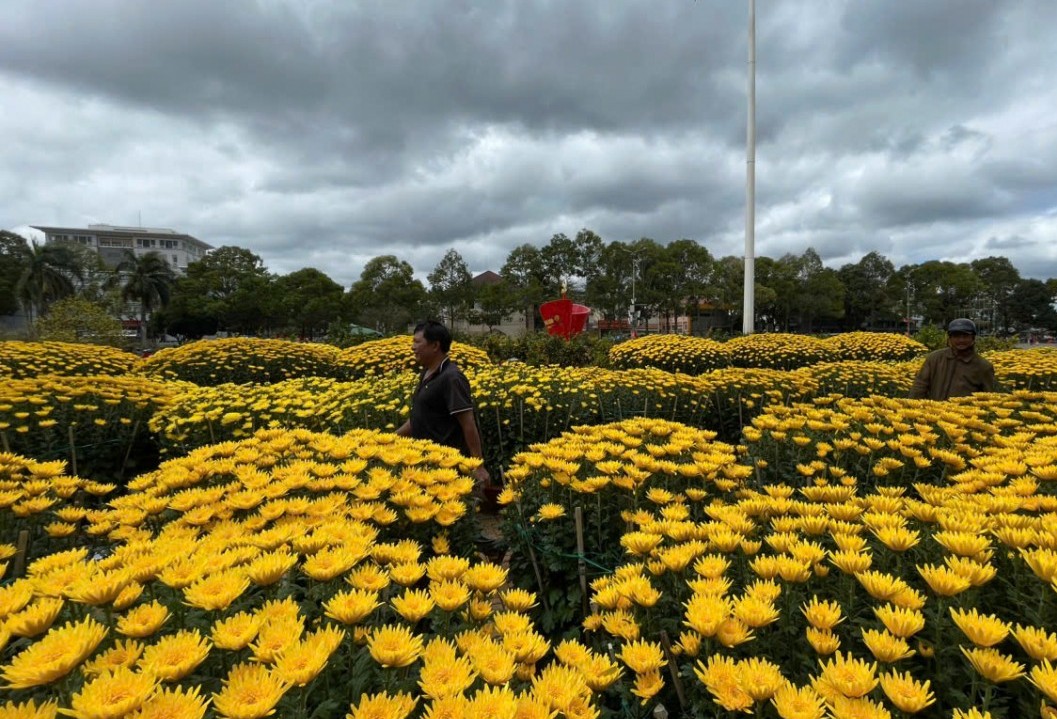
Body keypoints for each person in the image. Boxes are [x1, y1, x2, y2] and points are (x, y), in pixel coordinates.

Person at [395, 321, 491, 488]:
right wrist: (390, 438)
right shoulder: (426, 373)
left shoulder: (452, 378)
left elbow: (468, 423)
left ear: (435, 346)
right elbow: (420, 418)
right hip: (425, 462)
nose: (412, 347)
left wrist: (478, 465)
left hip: (446, 467)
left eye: (417, 342)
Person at [909, 318, 995, 400]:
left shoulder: (983, 366)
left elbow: (988, 398)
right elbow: (919, 387)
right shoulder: (934, 359)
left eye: (965, 336)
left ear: (973, 338)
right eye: (956, 336)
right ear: (950, 338)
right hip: (934, 412)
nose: (961, 340)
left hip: (964, 414)